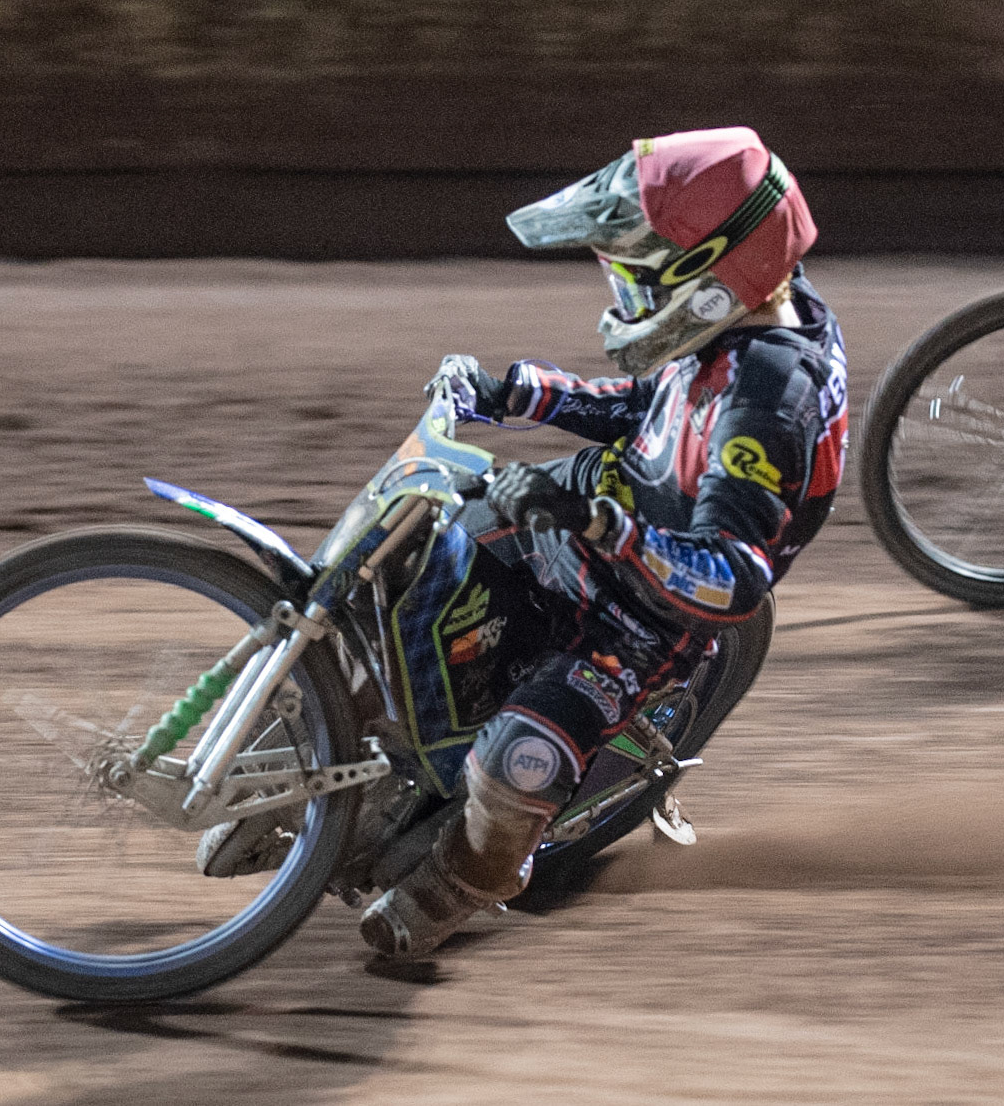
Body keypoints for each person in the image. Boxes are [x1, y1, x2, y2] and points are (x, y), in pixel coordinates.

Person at [359, 126, 848, 957]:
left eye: (635, 265)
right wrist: (511, 389)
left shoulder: (769, 398)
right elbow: (642, 407)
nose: (620, 281)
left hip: (642, 613)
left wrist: (604, 528)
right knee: (406, 550)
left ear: (708, 280)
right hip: (583, 507)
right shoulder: (737, 319)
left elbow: (736, 578)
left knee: (516, 767)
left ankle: (462, 881)